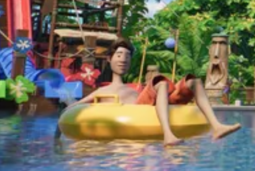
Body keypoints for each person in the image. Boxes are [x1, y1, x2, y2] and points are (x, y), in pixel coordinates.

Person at [65, 38, 242, 146]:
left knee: (193, 81)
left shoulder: (135, 87)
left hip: (153, 104)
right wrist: (66, 112)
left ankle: (217, 126)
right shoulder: (103, 91)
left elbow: (156, 99)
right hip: (140, 110)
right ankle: (168, 135)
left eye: (127, 57)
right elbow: (75, 108)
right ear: (110, 59)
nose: (123, 60)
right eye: (119, 56)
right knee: (160, 82)